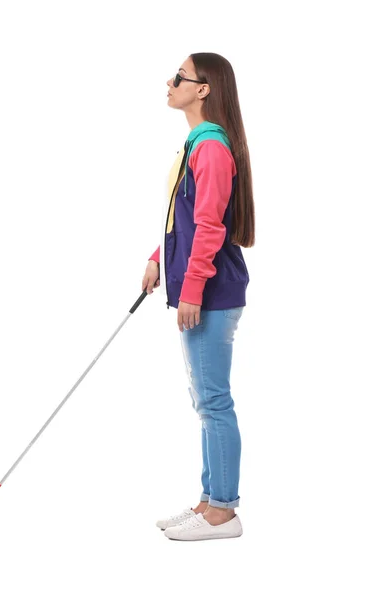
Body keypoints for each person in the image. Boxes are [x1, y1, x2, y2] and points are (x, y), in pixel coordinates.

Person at [141, 53, 255, 542]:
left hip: (211, 292)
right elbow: (182, 218)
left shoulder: (210, 148)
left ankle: (223, 513)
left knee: (214, 401)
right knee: (205, 401)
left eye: (179, 78)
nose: (169, 83)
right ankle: (210, 501)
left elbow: (209, 228)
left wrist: (189, 289)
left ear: (203, 89)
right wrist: (156, 258)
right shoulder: (196, 144)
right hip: (199, 287)